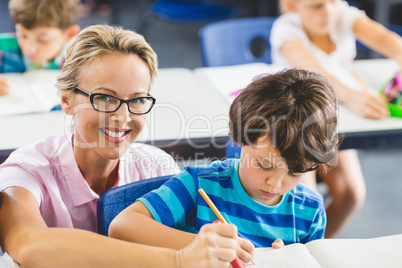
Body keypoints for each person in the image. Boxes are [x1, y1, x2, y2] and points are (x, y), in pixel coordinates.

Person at [0, 25, 247, 268]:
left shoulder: (157, 168)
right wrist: (178, 260)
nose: (123, 116)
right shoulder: (26, 171)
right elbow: (28, 245)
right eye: (105, 98)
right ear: (67, 101)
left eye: (137, 100)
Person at [109, 69, 341, 257]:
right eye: (264, 165)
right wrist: (200, 244)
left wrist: (285, 261)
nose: (275, 183)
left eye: (295, 172)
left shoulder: (310, 211)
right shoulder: (201, 185)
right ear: (241, 139)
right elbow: (122, 226)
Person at [271, 0, 402, 238]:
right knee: (305, 201)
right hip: (295, 126)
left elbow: (387, 39)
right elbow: (315, 75)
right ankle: (299, 252)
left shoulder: (343, 15)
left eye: (333, 1)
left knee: (351, 194)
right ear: (292, 5)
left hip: (332, 123)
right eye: (316, 6)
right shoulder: (285, 30)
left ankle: (316, 247)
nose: (329, 11)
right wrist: (353, 97)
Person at [0, 0, 81, 96]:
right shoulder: (4, 47)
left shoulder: (78, 57)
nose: (29, 49)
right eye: (23, 35)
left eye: (42, 40)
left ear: (69, 34)